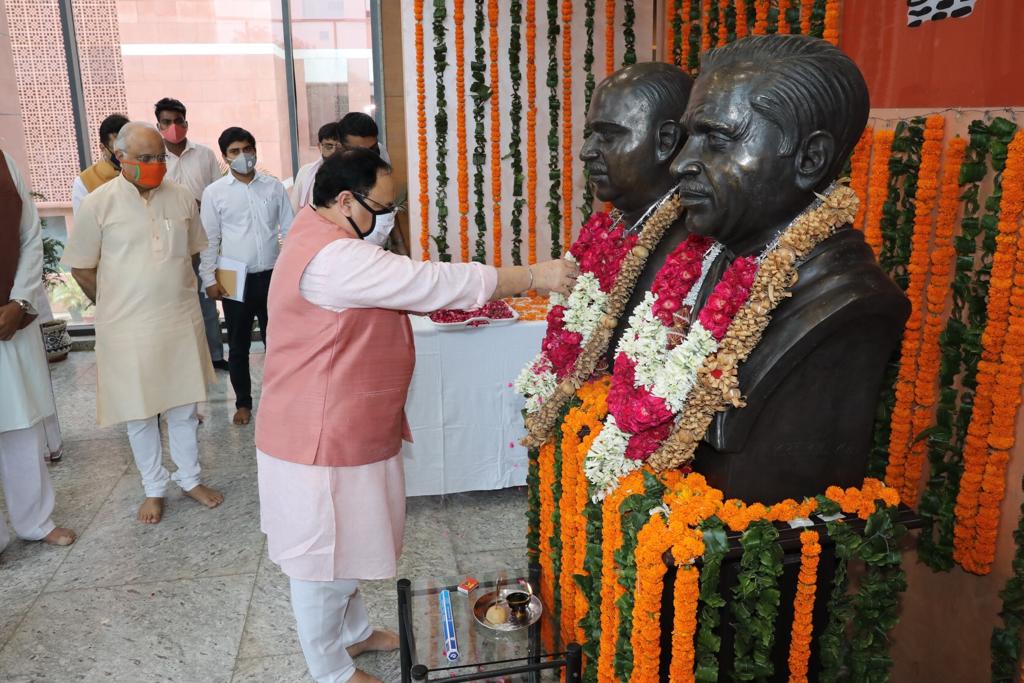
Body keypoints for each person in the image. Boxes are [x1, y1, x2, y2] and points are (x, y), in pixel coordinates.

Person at [255, 148, 577, 683]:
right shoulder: (334, 258)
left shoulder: (319, 230)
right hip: (319, 434)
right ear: (343, 200)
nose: (389, 218)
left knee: (348, 539)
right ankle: (329, 669)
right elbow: (428, 283)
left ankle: (353, 635)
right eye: (383, 207)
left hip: (344, 423)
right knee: (322, 557)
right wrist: (530, 275)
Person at [671, 35, 909, 502]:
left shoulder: (848, 299)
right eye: (686, 139)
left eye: (716, 138)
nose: (681, 164)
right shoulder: (723, 255)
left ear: (809, 159)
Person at [64, 122, 225, 524]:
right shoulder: (98, 204)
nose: (156, 165)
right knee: (140, 412)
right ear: (121, 158)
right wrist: (116, 304)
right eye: (146, 159)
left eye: (160, 158)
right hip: (126, 328)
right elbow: (82, 267)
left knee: (184, 407)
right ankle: (154, 488)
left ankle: (190, 479)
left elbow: (190, 254)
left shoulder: (183, 197)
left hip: (178, 321)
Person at [578, 62, 694, 359]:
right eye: (591, 134)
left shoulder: (693, 246)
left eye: (608, 135)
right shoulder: (615, 227)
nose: (587, 151)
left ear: (665, 142)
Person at [0, 149, 76, 552]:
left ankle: (34, 521)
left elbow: (30, 238)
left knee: (21, 426)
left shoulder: (5, 161)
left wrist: (17, 302)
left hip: (10, 316)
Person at [200, 127, 294, 426]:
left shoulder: (273, 186)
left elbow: (290, 231)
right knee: (238, 345)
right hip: (230, 275)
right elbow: (209, 239)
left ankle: (280, 401)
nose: (243, 156)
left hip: (271, 274)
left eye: (247, 149)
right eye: (235, 151)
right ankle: (243, 404)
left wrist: (289, 270)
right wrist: (209, 279)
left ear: (255, 149)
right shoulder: (215, 192)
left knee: (276, 343)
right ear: (225, 157)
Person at [154, 96, 228, 372]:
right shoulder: (155, 158)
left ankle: (215, 355)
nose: (173, 126)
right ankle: (183, 362)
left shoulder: (204, 154)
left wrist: (200, 207)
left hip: (203, 238)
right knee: (174, 300)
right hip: (168, 241)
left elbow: (217, 193)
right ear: (158, 125)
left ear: (186, 122)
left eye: (178, 121)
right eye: (167, 122)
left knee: (206, 298)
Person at [337, 112, 408, 256]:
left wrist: (400, 247)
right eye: (360, 152)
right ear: (341, 147)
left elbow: (388, 204)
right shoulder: (327, 175)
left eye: (373, 149)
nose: (369, 159)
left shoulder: (380, 152)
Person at [71, 113, 130, 214]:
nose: (124, 154)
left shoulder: (142, 171)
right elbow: (83, 224)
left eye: (128, 146)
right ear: (103, 148)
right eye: (118, 149)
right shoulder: (84, 182)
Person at [291, 122, 341, 214]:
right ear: (319, 146)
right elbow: (293, 208)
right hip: (310, 225)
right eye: (328, 146)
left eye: (338, 146)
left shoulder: (351, 174)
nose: (334, 151)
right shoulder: (305, 172)